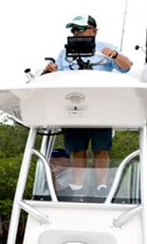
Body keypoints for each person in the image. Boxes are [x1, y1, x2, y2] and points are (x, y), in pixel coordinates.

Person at [44, 14, 132, 196]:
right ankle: (77, 187)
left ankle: (102, 186)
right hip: (73, 106)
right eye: (73, 30)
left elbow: (126, 67)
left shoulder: (106, 47)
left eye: (80, 29)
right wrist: (49, 70)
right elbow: (54, 74)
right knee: (77, 149)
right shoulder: (64, 51)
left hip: (101, 107)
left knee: (101, 148)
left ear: (94, 30)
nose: (76, 33)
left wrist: (115, 55)